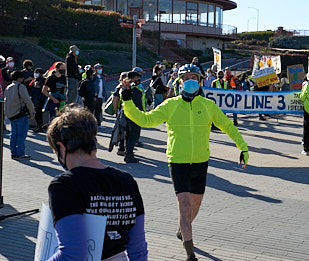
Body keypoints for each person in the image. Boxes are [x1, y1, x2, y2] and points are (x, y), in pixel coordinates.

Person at [121, 64, 249, 261]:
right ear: (179, 82)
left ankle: (183, 229)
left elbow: (228, 126)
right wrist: (127, 101)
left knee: (195, 205)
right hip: (177, 161)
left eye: (193, 77)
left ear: (199, 81)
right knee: (184, 204)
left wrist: (243, 147)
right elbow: (145, 120)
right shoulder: (170, 105)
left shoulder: (208, 106)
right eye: (186, 77)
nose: (190, 81)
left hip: (200, 162)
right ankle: (190, 253)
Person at [46, 106, 148, 260]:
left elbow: (73, 253)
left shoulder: (64, 186)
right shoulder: (127, 180)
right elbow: (138, 249)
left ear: (62, 147)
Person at [5, 70, 35, 159]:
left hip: (11, 114)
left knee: (13, 134)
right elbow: (27, 101)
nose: (23, 79)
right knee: (21, 135)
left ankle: (13, 152)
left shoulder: (8, 87)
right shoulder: (20, 87)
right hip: (20, 113)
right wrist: (32, 112)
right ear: (19, 78)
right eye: (22, 77)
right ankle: (20, 153)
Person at [120, 71, 145, 163]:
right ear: (133, 78)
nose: (139, 80)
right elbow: (138, 104)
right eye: (137, 78)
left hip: (127, 116)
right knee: (133, 136)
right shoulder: (133, 90)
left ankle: (127, 152)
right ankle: (129, 154)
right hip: (135, 116)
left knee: (128, 135)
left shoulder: (125, 89)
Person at [29, 68, 47, 132]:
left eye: (38, 73)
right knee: (36, 112)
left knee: (39, 112)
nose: (36, 74)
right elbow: (30, 86)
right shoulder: (34, 80)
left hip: (40, 98)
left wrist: (40, 86)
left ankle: (40, 126)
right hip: (34, 97)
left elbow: (46, 87)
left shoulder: (44, 80)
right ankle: (38, 126)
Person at [91, 63, 108, 128]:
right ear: (95, 69)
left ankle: (98, 124)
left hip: (100, 96)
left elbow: (103, 87)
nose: (100, 70)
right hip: (95, 96)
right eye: (98, 68)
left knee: (98, 110)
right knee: (92, 110)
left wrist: (105, 95)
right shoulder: (93, 77)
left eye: (101, 68)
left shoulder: (102, 77)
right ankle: (92, 124)